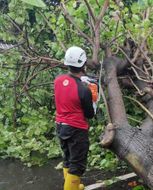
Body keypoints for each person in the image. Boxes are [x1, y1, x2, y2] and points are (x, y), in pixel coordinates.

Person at [54, 46, 95, 190]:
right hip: (76, 129)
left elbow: (69, 87)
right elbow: (90, 114)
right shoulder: (84, 89)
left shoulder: (58, 80)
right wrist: (92, 98)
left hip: (60, 126)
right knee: (77, 165)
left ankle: (74, 186)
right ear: (84, 65)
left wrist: (82, 83)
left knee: (68, 158)